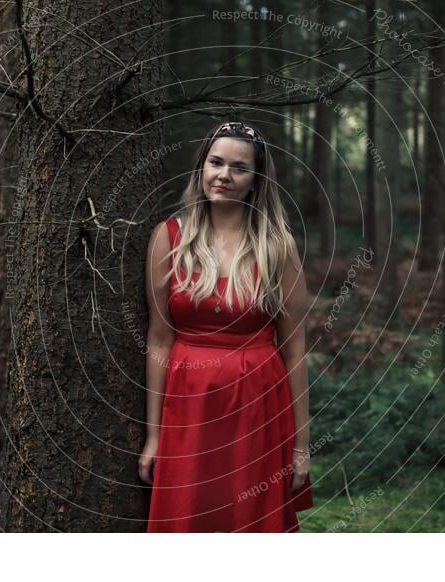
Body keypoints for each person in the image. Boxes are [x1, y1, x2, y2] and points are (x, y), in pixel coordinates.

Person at [139, 121, 314, 532]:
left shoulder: (276, 245)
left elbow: (294, 350)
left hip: (258, 405)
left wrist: (302, 446)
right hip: (188, 403)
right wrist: (154, 436)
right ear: (201, 168)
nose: (224, 175)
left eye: (239, 167)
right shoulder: (169, 237)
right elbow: (160, 341)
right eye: (215, 162)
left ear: (255, 180)